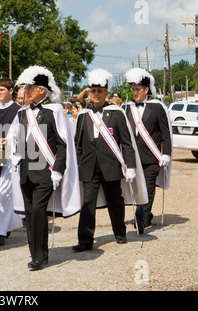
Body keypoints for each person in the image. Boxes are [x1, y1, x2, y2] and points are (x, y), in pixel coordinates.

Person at [13, 65, 81, 270]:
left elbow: (63, 144)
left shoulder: (55, 112)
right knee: (30, 214)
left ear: (42, 90)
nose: (27, 91)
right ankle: (36, 252)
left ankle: (39, 256)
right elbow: (21, 140)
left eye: (30, 88)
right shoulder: (23, 114)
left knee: (38, 211)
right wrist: (16, 155)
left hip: (45, 171)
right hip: (26, 171)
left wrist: (58, 169)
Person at [73, 68, 147, 252]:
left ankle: (120, 232)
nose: (96, 94)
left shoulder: (116, 113)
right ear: (89, 93)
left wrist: (130, 166)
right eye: (93, 91)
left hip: (111, 166)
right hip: (89, 167)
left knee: (115, 201)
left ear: (106, 93)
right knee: (87, 203)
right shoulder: (83, 115)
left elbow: (127, 143)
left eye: (100, 91)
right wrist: (78, 163)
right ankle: (85, 240)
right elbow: (78, 144)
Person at [123, 68, 172, 233]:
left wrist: (166, 154)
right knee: (136, 190)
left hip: (151, 157)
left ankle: (141, 221)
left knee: (148, 188)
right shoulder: (126, 108)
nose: (135, 92)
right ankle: (146, 214)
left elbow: (165, 134)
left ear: (146, 90)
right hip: (132, 158)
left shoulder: (157, 108)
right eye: (133, 89)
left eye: (138, 90)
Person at [0, 78, 23, 246]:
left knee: (4, 194)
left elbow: (21, 134)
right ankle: (5, 226)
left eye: (2, 89)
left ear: (10, 91)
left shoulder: (18, 111)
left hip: (9, 157)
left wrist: (10, 145)